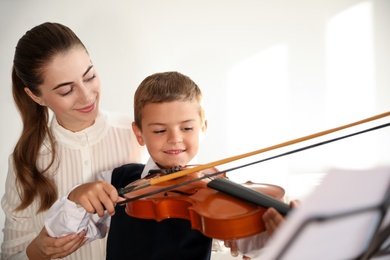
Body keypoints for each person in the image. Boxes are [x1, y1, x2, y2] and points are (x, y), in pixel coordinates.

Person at [45, 71, 293, 259]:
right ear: (139, 133)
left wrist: (274, 235)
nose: (175, 138)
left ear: (203, 128)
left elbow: (252, 243)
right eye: (160, 130)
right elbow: (62, 234)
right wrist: (76, 197)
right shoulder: (117, 180)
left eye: (187, 128)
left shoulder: (219, 189)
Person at [0, 22, 144, 260]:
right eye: (66, 91)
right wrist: (37, 251)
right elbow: (10, 255)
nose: (87, 96)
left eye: (90, 76)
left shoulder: (138, 134)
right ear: (36, 96)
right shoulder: (25, 161)